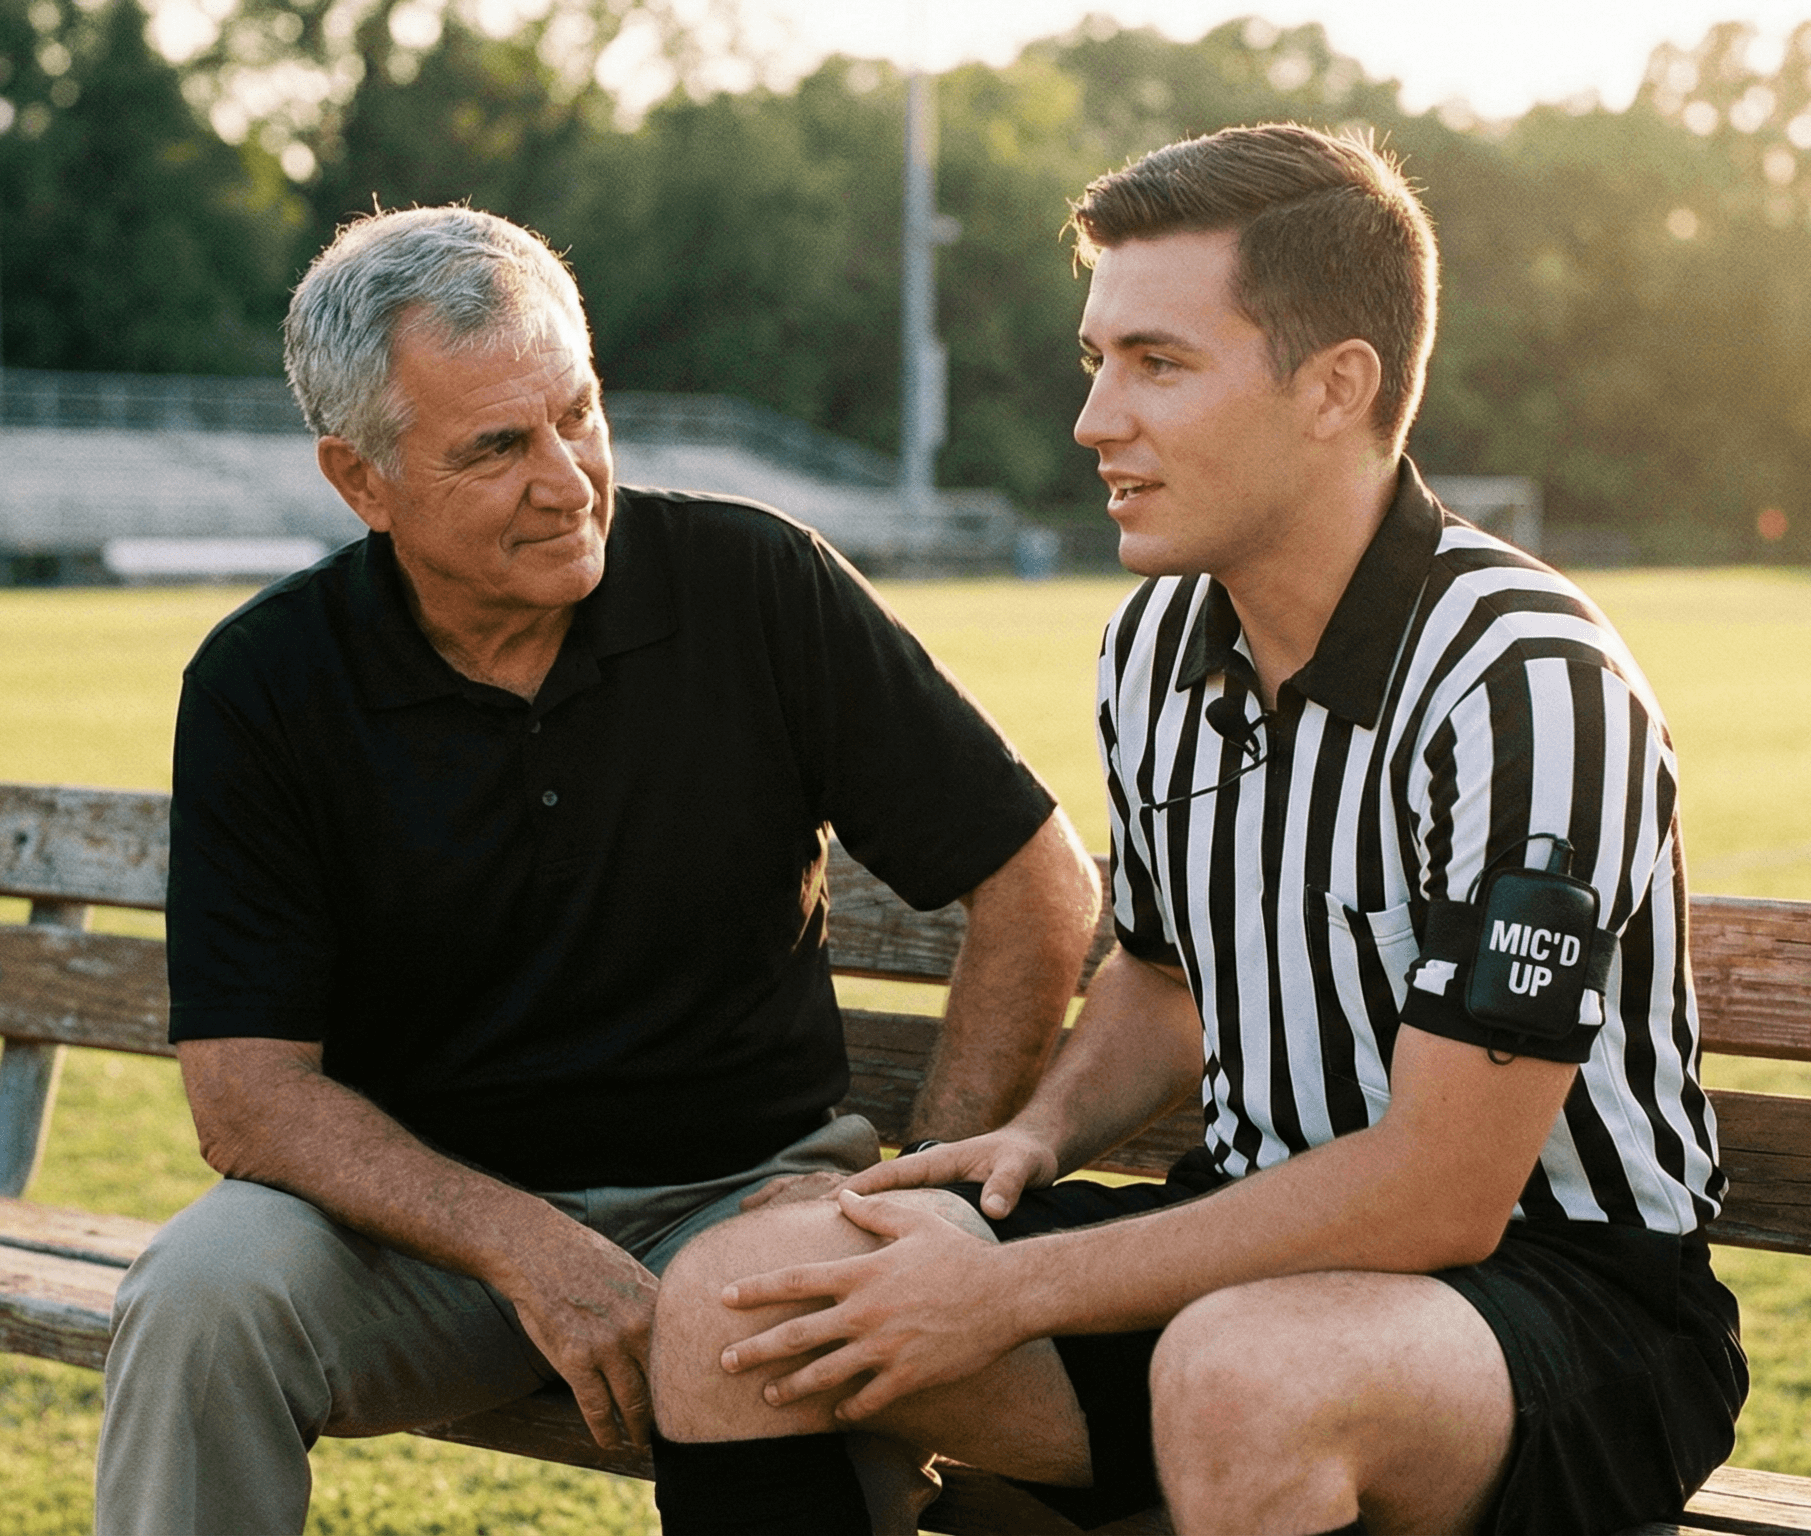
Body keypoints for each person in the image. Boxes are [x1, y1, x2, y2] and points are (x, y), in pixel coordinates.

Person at [648, 123, 1746, 1536]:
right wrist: (1039, 1133)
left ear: (1334, 389)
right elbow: (1158, 982)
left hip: (1565, 1309)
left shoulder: (1526, 680)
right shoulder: (1155, 643)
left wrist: (1005, 1287)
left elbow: (1443, 1193)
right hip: (1238, 1251)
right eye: (1096, 361)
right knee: (732, 1296)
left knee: (1244, 1376)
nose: (1097, 419)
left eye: (1159, 364)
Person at [90, 205, 1102, 1536]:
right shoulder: (265, 683)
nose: (566, 478)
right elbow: (249, 1100)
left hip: (753, 1204)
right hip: (427, 1240)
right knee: (197, 1297)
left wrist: (929, 1187)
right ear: (363, 480)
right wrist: (524, 1245)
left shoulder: (753, 582)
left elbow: (1038, 886)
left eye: (580, 414)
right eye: (498, 447)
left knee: (795, 1319)